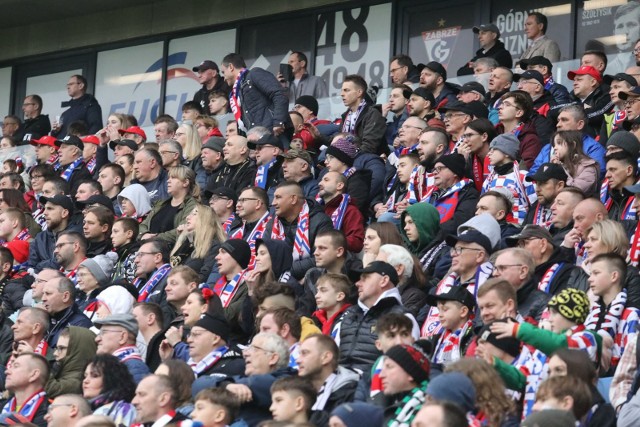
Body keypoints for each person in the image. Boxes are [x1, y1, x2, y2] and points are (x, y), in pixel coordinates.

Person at [490, 288, 598, 418]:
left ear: (569, 314)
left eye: (554, 313)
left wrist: (520, 330)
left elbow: (561, 345)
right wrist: (495, 365)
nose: (549, 319)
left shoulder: (587, 338)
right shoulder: (542, 349)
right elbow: (521, 379)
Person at [339, 261, 418, 373]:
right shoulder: (349, 314)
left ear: (384, 281)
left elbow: (407, 363)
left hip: (374, 384)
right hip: (338, 383)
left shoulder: (403, 317)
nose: (357, 283)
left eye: (365, 278)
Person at [585, 253, 640, 373]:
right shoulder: (589, 313)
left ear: (614, 276)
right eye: (590, 274)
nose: (590, 279)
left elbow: (632, 364)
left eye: (596, 273)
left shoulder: (632, 315)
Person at [220, 53, 290, 137]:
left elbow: (278, 94)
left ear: (231, 67)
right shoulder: (237, 91)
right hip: (257, 136)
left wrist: (278, 121)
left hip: (273, 133)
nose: (224, 78)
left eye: (223, 72)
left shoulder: (254, 74)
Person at [296, 333, 358, 426]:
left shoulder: (350, 393)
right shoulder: (296, 390)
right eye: (299, 354)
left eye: (305, 353)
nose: (298, 360)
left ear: (326, 357)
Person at [482, 133, 537, 225]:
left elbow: (535, 205)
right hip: (493, 228)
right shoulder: (489, 180)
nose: (489, 153)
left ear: (507, 153)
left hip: (519, 228)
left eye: (494, 149)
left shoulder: (523, 177)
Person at [138, 165, 198, 245]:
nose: (168, 181)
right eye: (169, 178)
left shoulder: (192, 205)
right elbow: (143, 224)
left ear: (185, 183)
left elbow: (182, 229)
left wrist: (155, 238)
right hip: (148, 246)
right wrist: (144, 234)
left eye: (173, 178)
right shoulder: (161, 203)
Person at [170, 204, 224, 282]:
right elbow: (173, 266)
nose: (187, 217)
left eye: (194, 214)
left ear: (205, 219)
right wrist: (181, 237)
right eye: (189, 214)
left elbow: (204, 276)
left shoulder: (214, 246)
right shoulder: (188, 242)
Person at [212, 239, 252, 343]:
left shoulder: (250, 285)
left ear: (236, 258)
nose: (217, 257)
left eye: (223, 252)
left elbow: (229, 316)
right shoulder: (218, 284)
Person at [427, 286, 475, 369]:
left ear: (463, 311)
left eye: (445, 309)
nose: (440, 315)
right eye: (439, 310)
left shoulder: (473, 337)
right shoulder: (436, 339)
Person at [94, 313, 150, 384]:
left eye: (103, 333)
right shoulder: (125, 366)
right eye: (98, 334)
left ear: (123, 337)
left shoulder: (135, 368)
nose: (97, 339)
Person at [339, 74, 386, 155]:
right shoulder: (345, 116)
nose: (342, 94)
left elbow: (369, 147)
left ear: (359, 92)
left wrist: (347, 159)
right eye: (342, 90)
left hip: (367, 162)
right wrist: (319, 136)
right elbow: (338, 140)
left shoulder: (372, 114)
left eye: (346, 90)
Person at [45, 326, 97, 398]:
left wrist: (34, 361)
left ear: (79, 351)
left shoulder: (81, 381)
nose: (55, 353)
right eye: (56, 348)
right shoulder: (60, 370)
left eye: (61, 348)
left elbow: (49, 389)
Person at [1, 353, 50, 426]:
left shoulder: (49, 413)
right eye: (10, 367)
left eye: (16, 366)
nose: (7, 371)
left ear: (34, 375)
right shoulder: (3, 405)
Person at [42, 276, 92, 346]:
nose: (43, 298)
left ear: (65, 296)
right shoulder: (44, 318)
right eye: (43, 294)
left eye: (48, 293)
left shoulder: (80, 325)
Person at [567, 65, 613, 137]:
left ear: (593, 82)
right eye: (574, 80)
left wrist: (577, 111)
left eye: (579, 80)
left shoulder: (607, 94)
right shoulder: (571, 97)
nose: (574, 83)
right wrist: (583, 107)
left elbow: (599, 115)